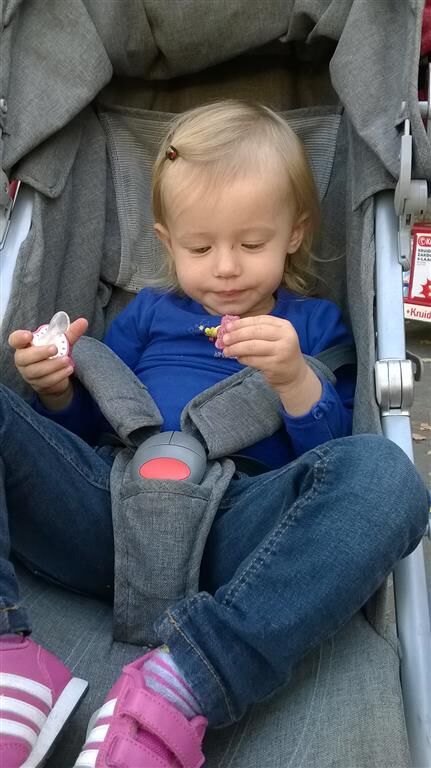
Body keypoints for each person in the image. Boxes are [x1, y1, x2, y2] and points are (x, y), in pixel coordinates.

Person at [0, 100, 428, 768]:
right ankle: (11, 655)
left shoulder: (311, 326)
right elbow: (91, 430)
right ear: (167, 241)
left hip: (235, 533)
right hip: (107, 506)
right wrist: (57, 390)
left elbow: (328, 464)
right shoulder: (147, 315)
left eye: (251, 244)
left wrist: (295, 379)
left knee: (386, 478)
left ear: (293, 233)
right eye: (200, 248)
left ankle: (182, 686)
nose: (225, 268)